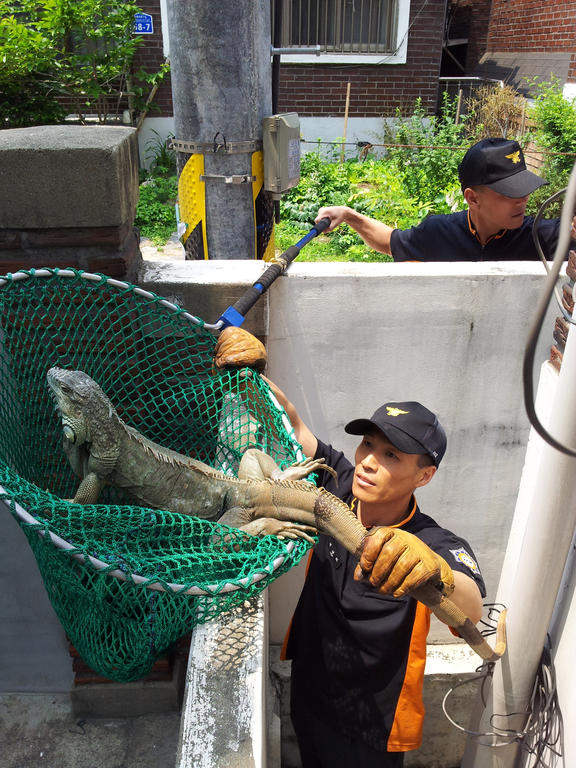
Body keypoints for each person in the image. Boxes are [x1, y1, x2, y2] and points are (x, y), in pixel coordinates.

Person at [214, 328, 485, 768]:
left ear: (425, 476)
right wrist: (248, 371)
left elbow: (470, 606)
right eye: (368, 444)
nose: (368, 462)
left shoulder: (431, 541)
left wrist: (435, 570)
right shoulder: (337, 485)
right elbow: (289, 421)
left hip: (371, 723)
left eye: (392, 456)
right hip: (310, 690)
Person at [315, 136, 569, 262]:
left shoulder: (542, 237)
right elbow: (391, 242)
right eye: (509, 192)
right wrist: (348, 215)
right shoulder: (438, 231)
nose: (522, 199)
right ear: (472, 198)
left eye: (524, 189)